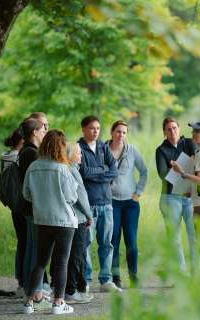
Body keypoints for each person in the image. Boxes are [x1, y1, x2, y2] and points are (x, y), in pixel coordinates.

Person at [22, 130, 78, 315]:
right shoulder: (63, 168)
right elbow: (72, 197)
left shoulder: (33, 167)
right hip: (63, 221)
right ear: (61, 146)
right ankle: (58, 304)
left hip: (42, 220)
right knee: (61, 263)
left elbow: (26, 195)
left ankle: (28, 303)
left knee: (40, 262)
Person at [78, 115, 121, 292]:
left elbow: (114, 170)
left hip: (107, 203)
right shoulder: (78, 148)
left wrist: (100, 173)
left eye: (98, 128)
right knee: (86, 243)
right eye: (91, 128)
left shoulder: (104, 147)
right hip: (89, 205)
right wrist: (102, 170)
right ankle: (86, 280)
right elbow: (84, 172)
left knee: (107, 243)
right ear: (83, 129)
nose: (95, 132)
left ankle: (106, 280)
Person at [107, 120, 147, 288]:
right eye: (118, 131)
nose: (121, 135)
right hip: (111, 202)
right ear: (112, 132)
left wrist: (138, 192)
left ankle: (133, 276)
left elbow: (144, 172)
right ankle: (116, 278)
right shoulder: (103, 149)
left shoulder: (132, 151)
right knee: (113, 240)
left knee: (131, 240)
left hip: (130, 203)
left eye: (124, 132)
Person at [155, 117, 196, 273]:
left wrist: (177, 167)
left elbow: (198, 165)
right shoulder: (161, 150)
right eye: (168, 129)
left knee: (194, 237)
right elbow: (163, 174)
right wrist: (186, 167)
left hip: (190, 197)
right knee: (175, 240)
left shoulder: (189, 143)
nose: (172, 131)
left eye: (174, 128)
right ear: (164, 132)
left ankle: (196, 273)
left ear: (179, 128)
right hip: (171, 198)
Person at [18, 117, 49, 304]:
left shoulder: (28, 151)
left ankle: (32, 290)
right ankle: (34, 292)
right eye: (42, 129)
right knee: (36, 251)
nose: (45, 131)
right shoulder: (31, 153)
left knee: (33, 249)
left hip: (31, 208)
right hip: (34, 209)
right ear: (35, 132)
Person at [64, 142, 93, 304]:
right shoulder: (71, 170)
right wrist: (89, 215)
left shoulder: (67, 169)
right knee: (76, 255)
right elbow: (80, 195)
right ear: (70, 154)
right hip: (79, 218)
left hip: (71, 219)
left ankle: (75, 288)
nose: (81, 156)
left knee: (73, 255)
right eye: (79, 153)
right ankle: (71, 291)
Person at [0, 128, 25, 295]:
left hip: (14, 206)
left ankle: (20, 281)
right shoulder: (18, 158)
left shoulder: (5, 157)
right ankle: (23, 282)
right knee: (26, 243)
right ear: (22, 141)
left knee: (22, 242)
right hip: (23, 205)